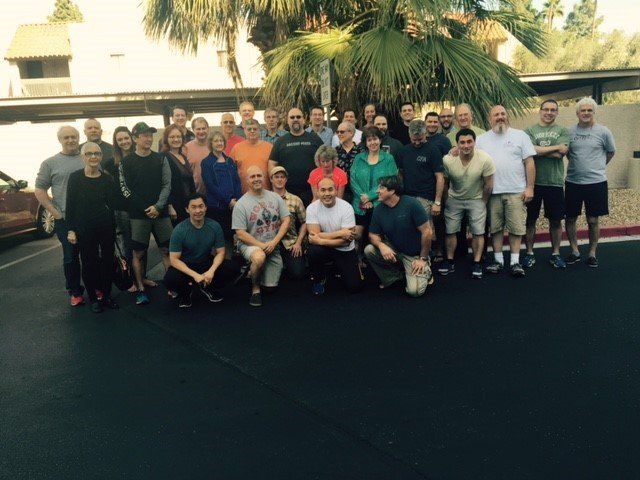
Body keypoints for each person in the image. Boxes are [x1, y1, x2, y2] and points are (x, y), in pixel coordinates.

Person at [476, 105, 536, 277]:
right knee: (495, 228)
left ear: (507, 117)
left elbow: (529, 162)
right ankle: (498, 260)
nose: (500, 117)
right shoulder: (482, 140)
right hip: (492, 192)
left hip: (516, 191)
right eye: (496, 115)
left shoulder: (520, 136)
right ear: (490, 119)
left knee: (516, 228)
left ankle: (515, 262)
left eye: (503, 114)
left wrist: (530, 187)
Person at [119, 122, 173, 305]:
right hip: (138, 215)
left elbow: (167, 185)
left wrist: (158, 206)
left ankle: (173, 287)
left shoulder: (160, 159)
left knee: (167, 250)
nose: (148, 138)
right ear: (135, 139)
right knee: (138, 254)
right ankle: (141, 289)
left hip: (161, 213)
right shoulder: (126, 162)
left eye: (150, 135)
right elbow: (125, 190)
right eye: (144, 135)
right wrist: (145, 208)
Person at [35, 126, 85, 305]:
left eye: (73, 137)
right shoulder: (50, 163)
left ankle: (96, 287)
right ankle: (75, 292)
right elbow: (40, 190)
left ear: (79, 138)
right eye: (66, 138)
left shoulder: (88, 157)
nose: (70, 140)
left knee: (91, 255)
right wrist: (54, 213)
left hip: (87, 218)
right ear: (60, 140)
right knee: (71, 257)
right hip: (64, 219)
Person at [65, 142, 118, 313]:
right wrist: (71, 229)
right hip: (84, 228)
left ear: (101, 156)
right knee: (89, 263)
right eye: (89, 154)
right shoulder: (75, 178)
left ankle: (107, 295)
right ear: (83, 157)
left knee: (108, 261)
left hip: (105, 226)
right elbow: (70, 205)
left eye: (97, 153)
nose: (93, 157)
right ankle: (94, 299)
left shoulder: (107, 179)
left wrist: (115, 229)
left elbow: (112, 205)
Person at [564, 97, 616, 268]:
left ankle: (592, 253)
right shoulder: (569, 132)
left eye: (589, 110)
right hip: (573, 182)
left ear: (594, 112)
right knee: (571, 218)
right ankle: (575, 251)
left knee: (593, 220)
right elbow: (568, 154)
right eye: (582, 110)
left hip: (596, 183)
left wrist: (597, 167)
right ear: (577, 113)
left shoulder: (604, 132)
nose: (586, 113)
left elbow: (610, 153)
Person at [164, 194, 240, 308]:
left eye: (201, 206)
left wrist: (211, 271)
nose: (198, 210)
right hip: (186, 266)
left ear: (206, 208)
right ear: (187, 209)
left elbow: (221, 252)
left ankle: (207, 287)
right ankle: (186, 292)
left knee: (233, 268)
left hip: (205, 262)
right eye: (193, 207)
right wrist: (194, 275)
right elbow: (174, 260)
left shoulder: (214, 226)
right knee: (170, 279)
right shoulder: (179, 230)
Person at [439, 129, 495, 279]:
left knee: (478, 231)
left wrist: (482, 202)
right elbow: (444, 183)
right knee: (450, 230)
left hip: (476, 199)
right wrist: (446, 201)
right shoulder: (448, 160)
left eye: (469, 142)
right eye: (462, 142)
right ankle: (449, 260)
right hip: (454, 199)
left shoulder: (485, 159)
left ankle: (477, 262)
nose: (466, 145)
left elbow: (488, 185)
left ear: (474, 142)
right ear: (457, 144)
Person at [232, 166, 291, 307]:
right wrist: (262, 246)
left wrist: (274, 242)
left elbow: (286, 220)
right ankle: (255, 289)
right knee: (259, 257)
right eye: (252, 177)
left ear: (264, 178)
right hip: (250, 245)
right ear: (247, 180)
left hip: (272, 245)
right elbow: (239, 233)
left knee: (270, 289)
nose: (256, 179)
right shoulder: (241, 204)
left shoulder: (275, 197)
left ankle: (251, 270)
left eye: (259, 175)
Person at [365, 175, 433, 297]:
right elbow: (372, 235)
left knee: (415, 292)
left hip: (414, 255)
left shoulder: (412, 204)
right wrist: (381, 245)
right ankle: (394, 278)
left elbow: (427, 232)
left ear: (392, 191)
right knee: (369, 250)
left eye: (381, 188)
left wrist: (422, 258)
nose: (377, 191)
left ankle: (426, 270)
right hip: (395, 250)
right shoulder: (379, 209)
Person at [522, 100, 570, 269]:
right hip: (533, 183)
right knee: (530, 220)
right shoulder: (529, 130)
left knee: (556, 221)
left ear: (557, 112)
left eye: (553, 110)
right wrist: (555, 147)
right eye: (546, 109)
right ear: (540, 111)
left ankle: (556, 254)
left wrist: (537, 151)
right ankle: (529, 253)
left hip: (554, 183)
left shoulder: (563, 130)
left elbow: (562, 153)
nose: (549, 112)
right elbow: (528, 151)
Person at [306, 178, 363, 295]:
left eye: (330, 190)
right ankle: (319, 279)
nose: (327, 194)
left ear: (336, 191)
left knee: (354, 288)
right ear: (317, 192)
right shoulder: (312, 208)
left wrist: (320, 240)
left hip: (344, 249)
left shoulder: (346, 207)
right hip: (324, 249)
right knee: (313, 251)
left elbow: (346, 242)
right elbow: (313, 237)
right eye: (323, 190)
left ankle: (338, 267)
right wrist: (340, 233)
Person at [349, 126, 398, 261]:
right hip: (359, 204)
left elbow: (391, 180)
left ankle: (377, 263)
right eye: (369, 140)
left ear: (380, 140)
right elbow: (352, 179)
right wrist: (363, 198)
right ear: (365, 142)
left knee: (377, 236)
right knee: (357, 236)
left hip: (381, 204)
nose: (373, 143)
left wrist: (370, 196)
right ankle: (356, 262)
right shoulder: (359, 158)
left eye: (375, 139)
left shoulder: (388, 158)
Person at [102, 126, 138, 292]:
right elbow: (108, 189)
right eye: (120, 139)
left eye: (126, 138)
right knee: (126, 245)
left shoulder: (140, 158)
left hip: (138, 209)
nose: (124, 142)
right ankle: (128, 280)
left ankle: (141, 277)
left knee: (139, 245)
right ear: (116, 143)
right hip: (121, 210)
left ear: (131, 138)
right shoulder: (110, 164)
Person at [396, 119, 445, 237]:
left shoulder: (433, 150)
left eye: (420, 140)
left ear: (425, 134)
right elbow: (400, 173)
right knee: (409, 229)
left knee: (426, 230)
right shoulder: (404, 151)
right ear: (409, 135)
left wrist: (437, 202)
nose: (417, 142)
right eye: (414, 140)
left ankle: (427, 255)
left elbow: (440, 177)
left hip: (426, 198)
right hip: (407, 197)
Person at [268, 107, 324, 206]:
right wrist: (276, 185)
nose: (295, 119)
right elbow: (272, 164)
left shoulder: (315, 139)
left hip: (313, 191)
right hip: (288, 193)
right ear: (288, 121)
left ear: (303, 120)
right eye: (292, 117)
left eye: (298, 117)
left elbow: (325, 161)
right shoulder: (280, 141)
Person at [200, 131, 242, 248]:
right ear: (211, 143)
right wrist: (228, 201)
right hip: (217, 207)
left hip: (235, 205)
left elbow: (237, 182)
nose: (219, 143)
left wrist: (237, 200)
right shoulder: (206, 163)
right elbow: (210, 185)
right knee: (220, 239)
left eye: (221, 140)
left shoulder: (230, 161)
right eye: (216, 141)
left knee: (236, 237)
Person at [270, 166, 307, 280]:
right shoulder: (265, 199)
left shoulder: (295, 199)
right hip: (270, 243)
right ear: (271, 179)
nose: (280, 179)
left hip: (290, 242)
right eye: (276, 177)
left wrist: (299, 243)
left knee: (298, 273)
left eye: (282, 177)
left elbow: (304, 223)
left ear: (286, 180)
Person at [162, 124, 196, 224]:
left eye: (178, 137)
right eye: (172, 137)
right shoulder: (163, 157)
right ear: (166, 139)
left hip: (187, 204)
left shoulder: (183, 156)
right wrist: (169, 206)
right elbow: (163, 184)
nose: (176, 139)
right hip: (175, 206)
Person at [230, 118, 273, 192]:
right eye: (249, 129)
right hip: (243, 194)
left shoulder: (269, 147)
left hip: (266, 193)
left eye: (255, 129)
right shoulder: (236, 148)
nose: (252, 131)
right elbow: (230, 173)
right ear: (245, 131)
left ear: (259, 130)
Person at [183, 116, 211, 195]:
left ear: (208, 129)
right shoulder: (186, 148)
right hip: (194, 194)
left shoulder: (214, 146)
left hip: (214, 194)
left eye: (203, 128)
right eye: (198, 129)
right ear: (193, 130)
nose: (201, 131)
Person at [334, 121, 364, 191]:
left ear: (351, 133)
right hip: (340, 190)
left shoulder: (361, 151)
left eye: (342, 132)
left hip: (358, 190)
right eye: (337, 132)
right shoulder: (334, 152)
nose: (339, 134)